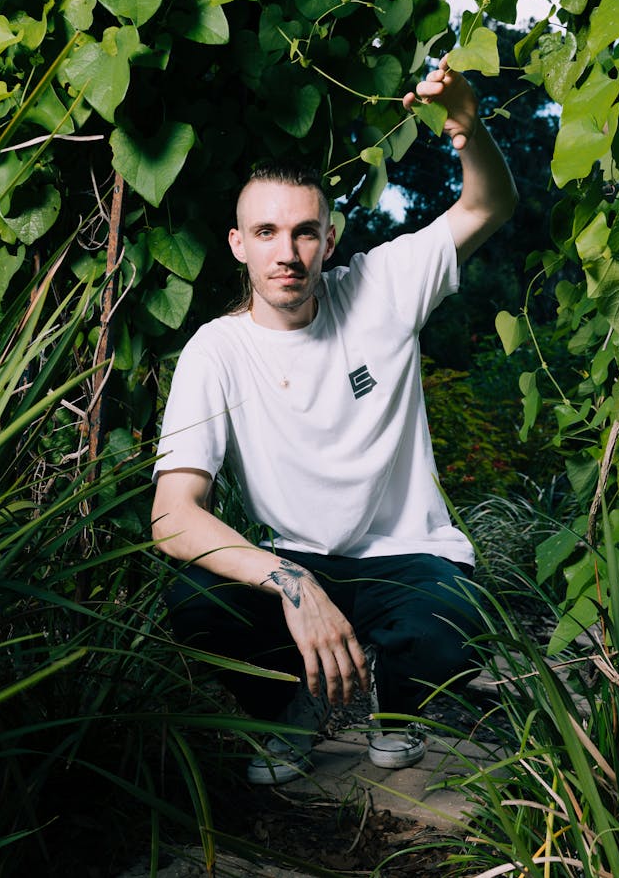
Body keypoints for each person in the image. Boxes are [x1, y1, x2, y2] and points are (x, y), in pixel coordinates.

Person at [151, 57, 518, 784]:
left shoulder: (379, 289)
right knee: (196, 600)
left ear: (330, 237)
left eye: (305, 232)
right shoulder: (216, 350)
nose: (287, 253)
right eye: (266, 232)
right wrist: (291, 580)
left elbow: (488, 205)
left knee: (458, 617)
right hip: (297, 556)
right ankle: (288, 708)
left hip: (408, 558)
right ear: (238, 244)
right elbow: (171, 517)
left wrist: (469, 127)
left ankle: (399, 709)